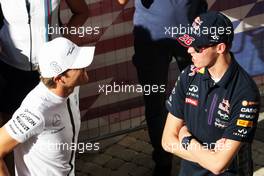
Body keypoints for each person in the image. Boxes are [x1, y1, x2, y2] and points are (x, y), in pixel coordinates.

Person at [162, 11, 260, 175]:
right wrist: (209, 155)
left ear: (220, 48)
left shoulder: (245, 93)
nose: (189, 50)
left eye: (198, 47)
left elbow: (218, 165)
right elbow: (167, 142)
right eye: (190, 43)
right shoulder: (189, 75)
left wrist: (185, 138)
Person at [117, 0, 208, 175]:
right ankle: (163, 162)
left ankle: (204, 159)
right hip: (151, 37)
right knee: (155, 104)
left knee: (202, 99)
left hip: (190, 32)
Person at [0, 37, 95, 176]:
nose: (84, 66)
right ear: (59, 78)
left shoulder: (72, 88)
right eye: (77, 65)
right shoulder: (36, 110)